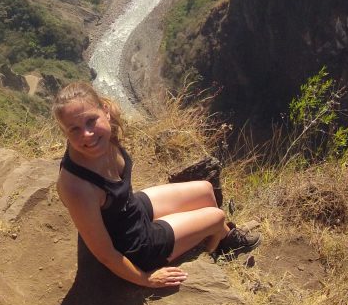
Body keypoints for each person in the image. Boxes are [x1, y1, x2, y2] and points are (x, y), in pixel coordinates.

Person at [53, 82, 259, 289]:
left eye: (91, 121)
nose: (87, 134)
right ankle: (221, 247)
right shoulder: (77, 187)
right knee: (217, 216)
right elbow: (105, 253)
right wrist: (146, 279)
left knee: (206, 190)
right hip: (136, 248)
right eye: (75, 129)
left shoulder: (108, 132)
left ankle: (220, 235)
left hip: (129, 210)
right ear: (66, 133)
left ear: (104, 111)